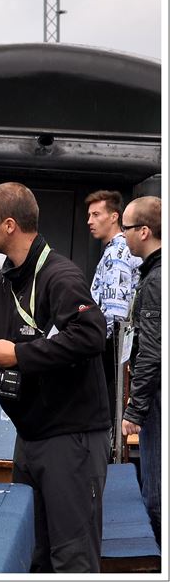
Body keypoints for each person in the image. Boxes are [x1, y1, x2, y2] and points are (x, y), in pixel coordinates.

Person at [0, 182, 109, 573]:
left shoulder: (60, 275)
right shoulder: (6, 277)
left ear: (10, 225)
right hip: (30, 434)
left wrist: (18, 353)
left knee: (72, 556)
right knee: (33, 553)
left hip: (72, 435)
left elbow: (90, 335)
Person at [120, 195, 161, 544]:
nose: (122, 235)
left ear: (144, 231)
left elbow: (153, 350)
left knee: (156, 495)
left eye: (127, 228)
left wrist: (136, 408)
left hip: (159, 399)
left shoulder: (157, 280)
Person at [85, 189, 141, 438]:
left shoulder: (117, 253)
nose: (90, 220)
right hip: (112, 346)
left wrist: (91, 344)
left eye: (96, 214)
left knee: (105, 418)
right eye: (88, 215)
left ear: (114, 217)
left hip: (109, 348)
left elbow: (115, 316)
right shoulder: (115, 250)